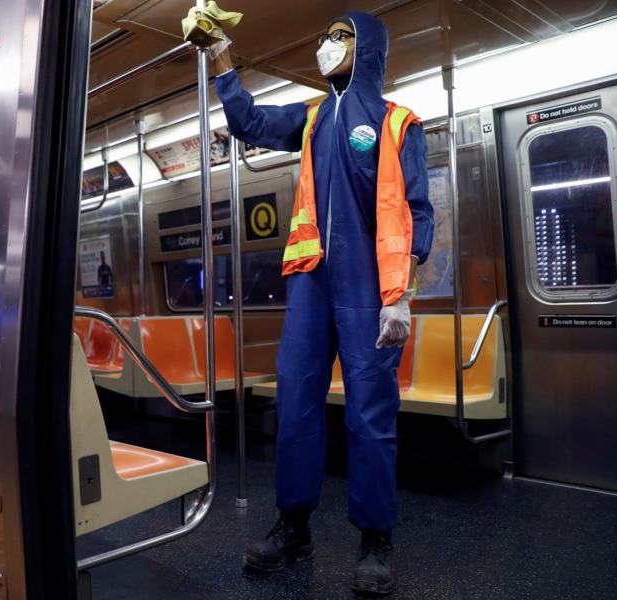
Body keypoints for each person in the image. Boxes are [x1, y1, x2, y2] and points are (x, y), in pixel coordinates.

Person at [194, 9, 434, 595]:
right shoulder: (309, 117)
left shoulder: (398, 122)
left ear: (369, 48)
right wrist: (221, 52)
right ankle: (294, 524)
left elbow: (417, 211)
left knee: (370, 417)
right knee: (296, 405)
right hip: (309, 279)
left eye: (340, 36)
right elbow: (247, 121)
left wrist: (400, 293)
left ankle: (375, 538)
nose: (326, 45)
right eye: (324, 37)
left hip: (369, 287)